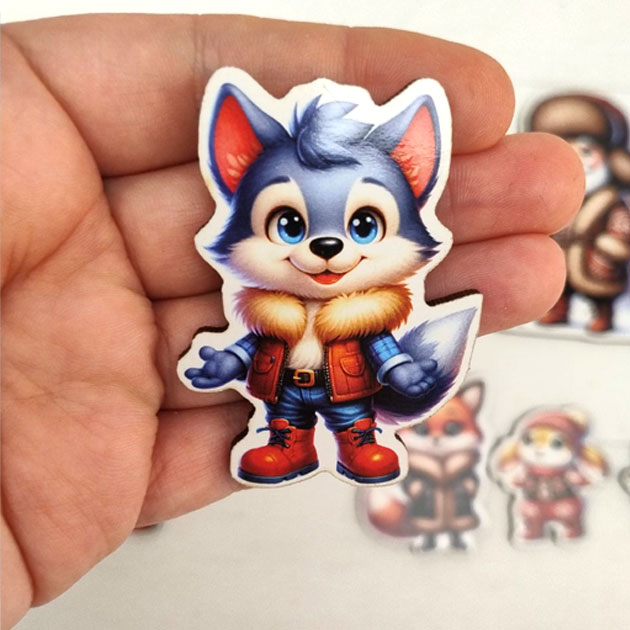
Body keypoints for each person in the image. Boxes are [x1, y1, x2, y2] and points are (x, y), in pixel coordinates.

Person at [1, 13, 584, 629]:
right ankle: (287, 443)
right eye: (288, 223)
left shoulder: (366, 314)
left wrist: (400, 368)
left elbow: (382, 347)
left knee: (352, 418)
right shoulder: (265, 312)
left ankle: (358, 442)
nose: (326, 247)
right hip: (284, 390)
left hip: (350, 388)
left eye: (364, 225)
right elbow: (248, 346)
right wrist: (225, 361)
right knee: (285, 418)